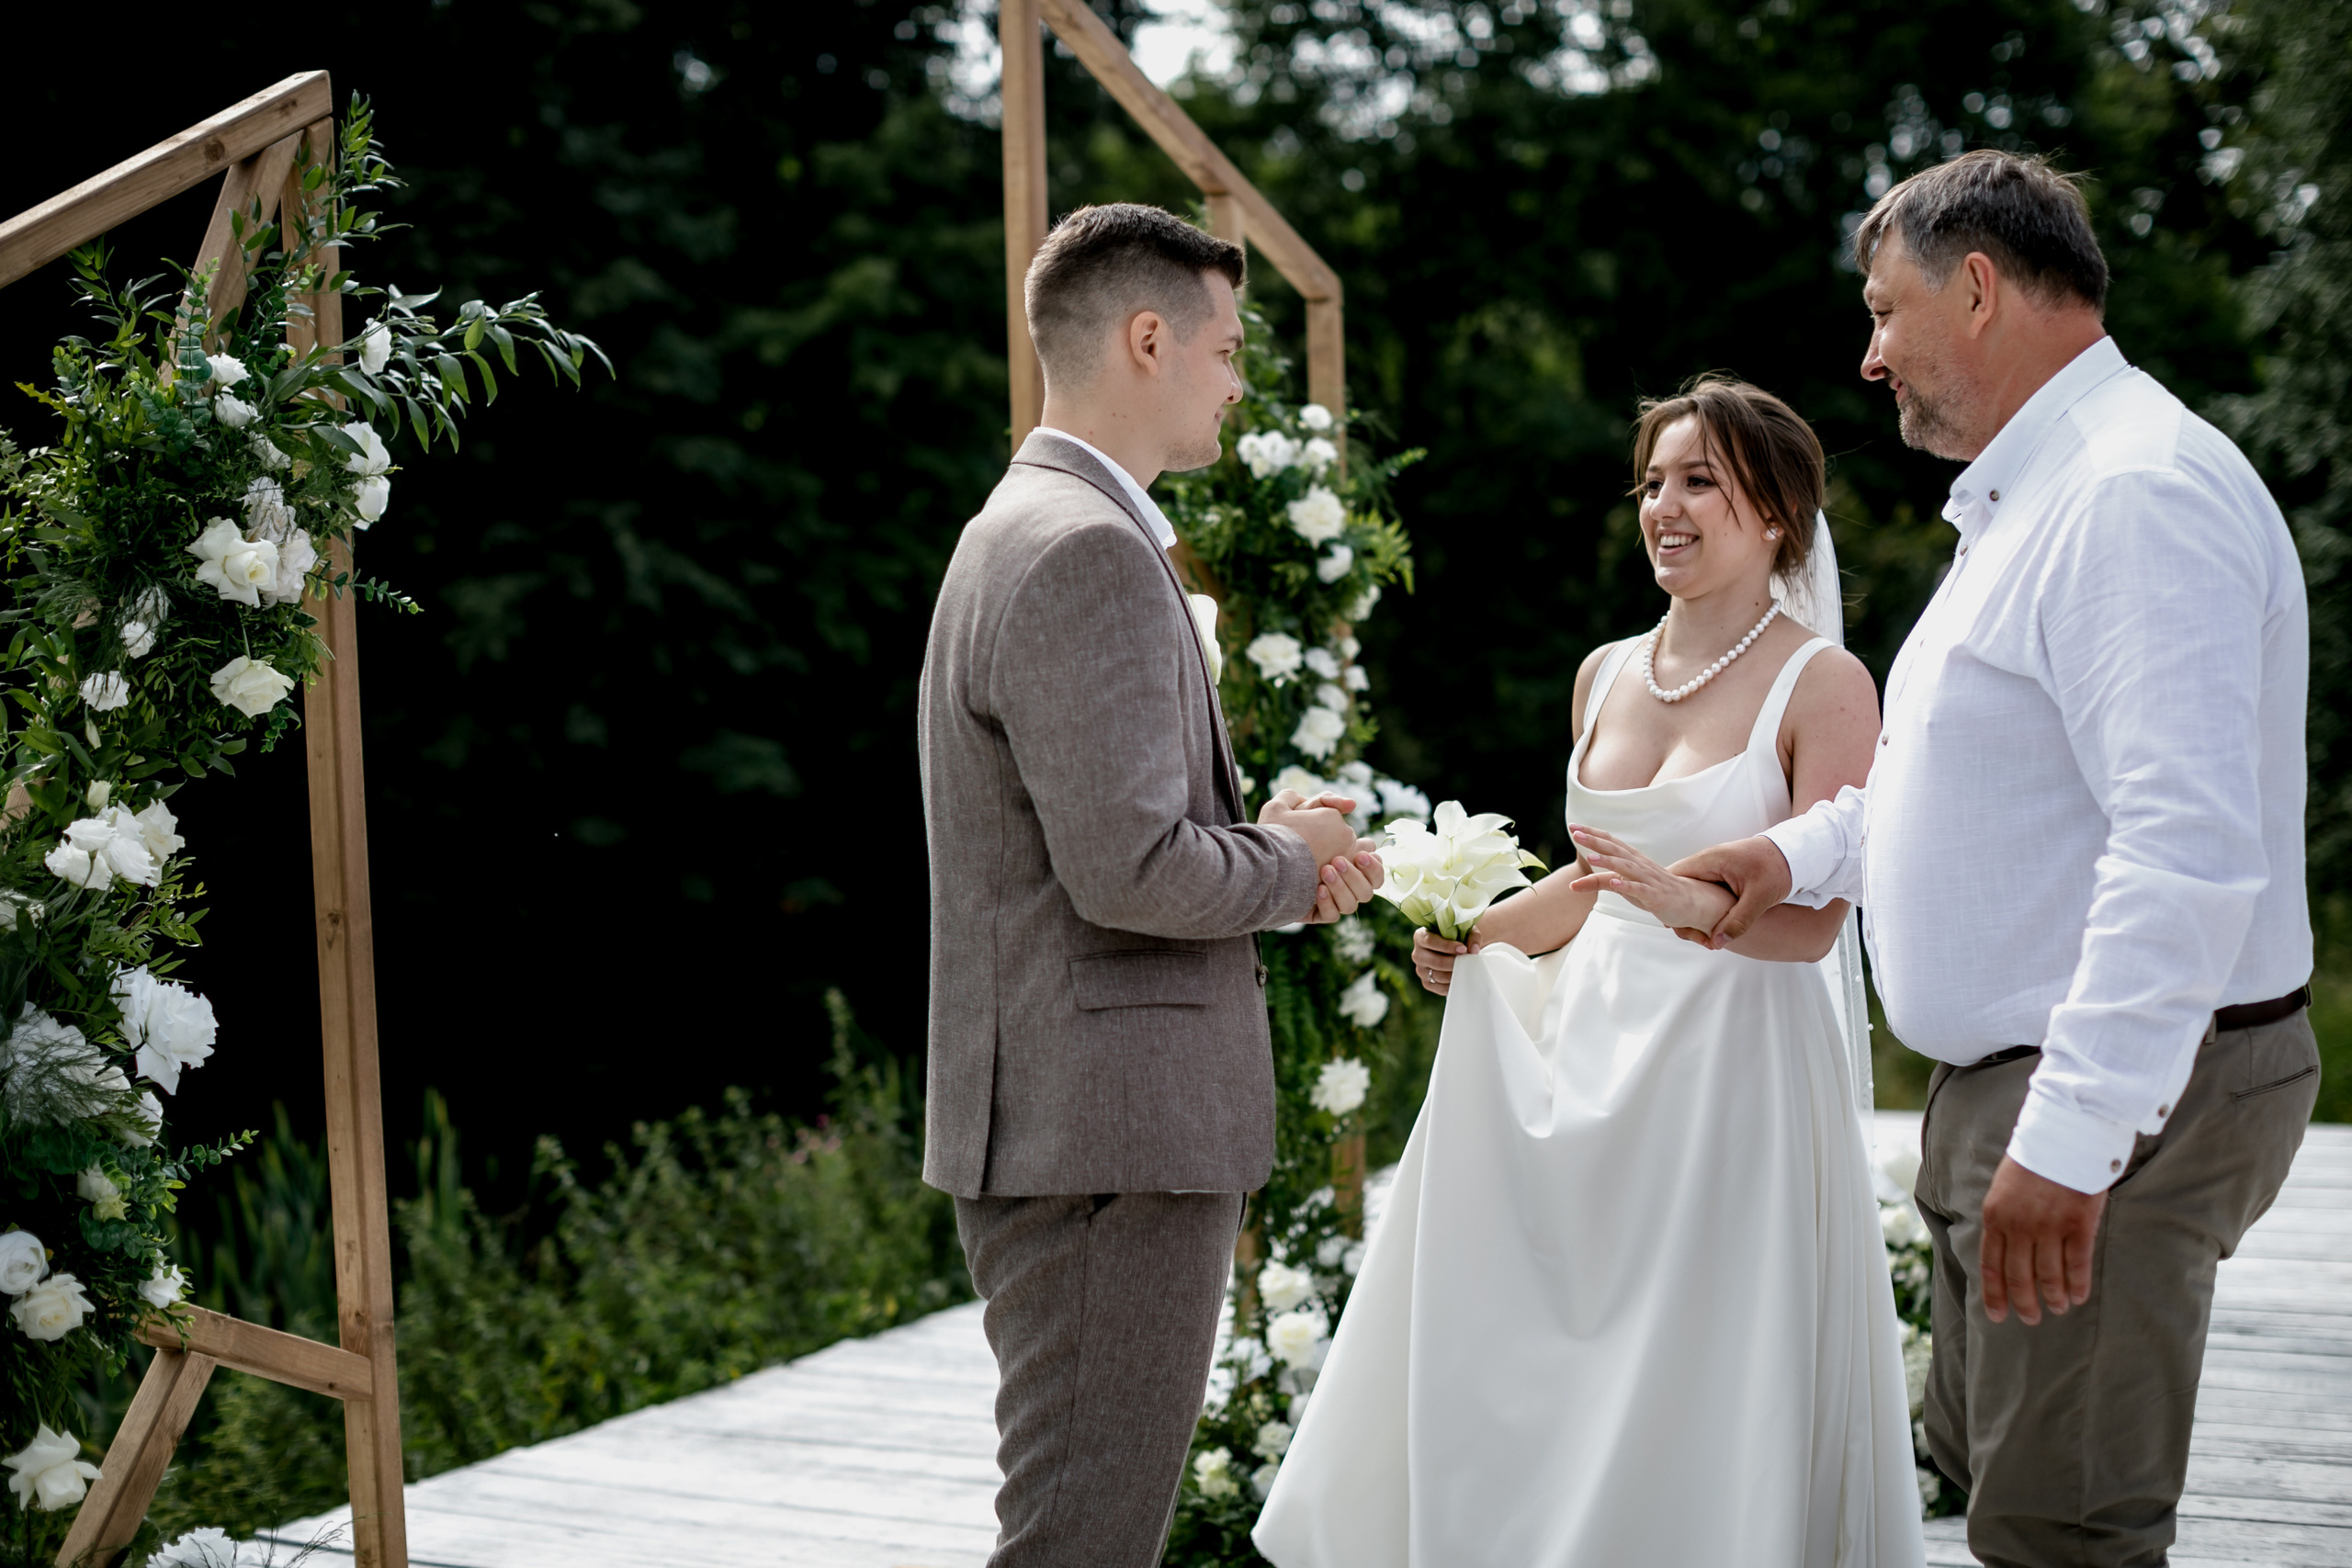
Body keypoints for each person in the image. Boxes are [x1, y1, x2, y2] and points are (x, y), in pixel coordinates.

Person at [1674, 152, 2317, 1568]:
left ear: (1976, 290)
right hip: (2022, 1090)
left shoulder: (2134, 495)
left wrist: (2075, 1135)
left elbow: (2187, 850)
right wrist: (1785, 859)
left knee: (2058, 1531)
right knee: (1979, 1474)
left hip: (2124, 1094)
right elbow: (1942, 785)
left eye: (1885, 311)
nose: (1868, 354)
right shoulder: (2035, 499)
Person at [1254, 376, 1926, 1568]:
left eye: (1700, 481)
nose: (1665, 507)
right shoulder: (1604, 672)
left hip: (1733, 1076)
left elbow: (1819, 924)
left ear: (1775, 512)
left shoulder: (1825, 684)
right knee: (1556, 1365)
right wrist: (1478, 937)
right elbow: (1591, 880)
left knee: (1704, 1371)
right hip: (1586, 1054)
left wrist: (1690, 905)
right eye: (1653, 483)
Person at [918, 202, 1386, 1568]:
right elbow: (1128, 871)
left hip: (1068, 1126)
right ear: (1145, 339)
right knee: (1081, 1542)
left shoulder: (1013, 526)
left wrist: (1267, 837)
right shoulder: (1087, 552)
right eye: (1228, 348)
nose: (1241, 383)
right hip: (1110, 1141)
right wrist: (1294, 866)